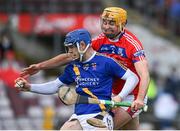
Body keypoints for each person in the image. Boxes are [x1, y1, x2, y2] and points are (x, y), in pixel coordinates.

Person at [20, 7, 150, 129]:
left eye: (111, 23)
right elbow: (70, 56)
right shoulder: (99, 41)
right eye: (104, 22)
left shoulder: (132, 44)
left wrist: (138, 99)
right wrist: (40, 66)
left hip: (132, 94)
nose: (106, 27)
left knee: (104, 126)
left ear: (123, 24)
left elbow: (144, 75)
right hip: (112, 93)